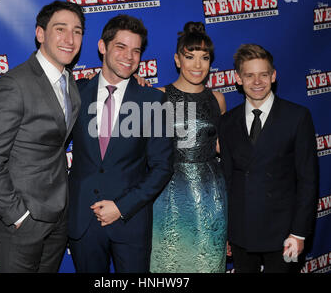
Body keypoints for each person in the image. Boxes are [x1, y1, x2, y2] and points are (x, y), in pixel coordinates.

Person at [0, 0, 84, 273]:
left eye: (78, 31)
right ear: (40, 34)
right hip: (21, 223)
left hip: (58, 217)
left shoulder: (70, 83)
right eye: (60, 29)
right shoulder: (14, 85)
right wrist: (18, 215)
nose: (70, 39)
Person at [68, 14, 173, 273]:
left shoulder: (154, 100)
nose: (129, 56)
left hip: (130, 221)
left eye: (136, 50)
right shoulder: (75, 93)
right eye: (121, 47)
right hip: (83, 222)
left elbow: (162, 167)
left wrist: (121, 207)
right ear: (103, 47)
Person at [219, 44, 318, 273]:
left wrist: (299, 232)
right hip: (241, 231)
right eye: (249, 75)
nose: (257, 82)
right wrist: (224, 232)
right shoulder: (227, 123)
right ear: (237, 79)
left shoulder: (297, 117)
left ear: (273, 76)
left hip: (284, 233)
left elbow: (308, 180)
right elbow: (226, 181)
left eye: (263, 74)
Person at [150, 22, 228, 273]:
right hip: (168, 194)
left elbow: (221, 148)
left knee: (207, 262)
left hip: (210, 194)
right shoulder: (158, 95)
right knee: (169, 263)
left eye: (204, 58)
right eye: (190, 56)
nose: (197, 65)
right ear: (177, 60)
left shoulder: (217, 99)